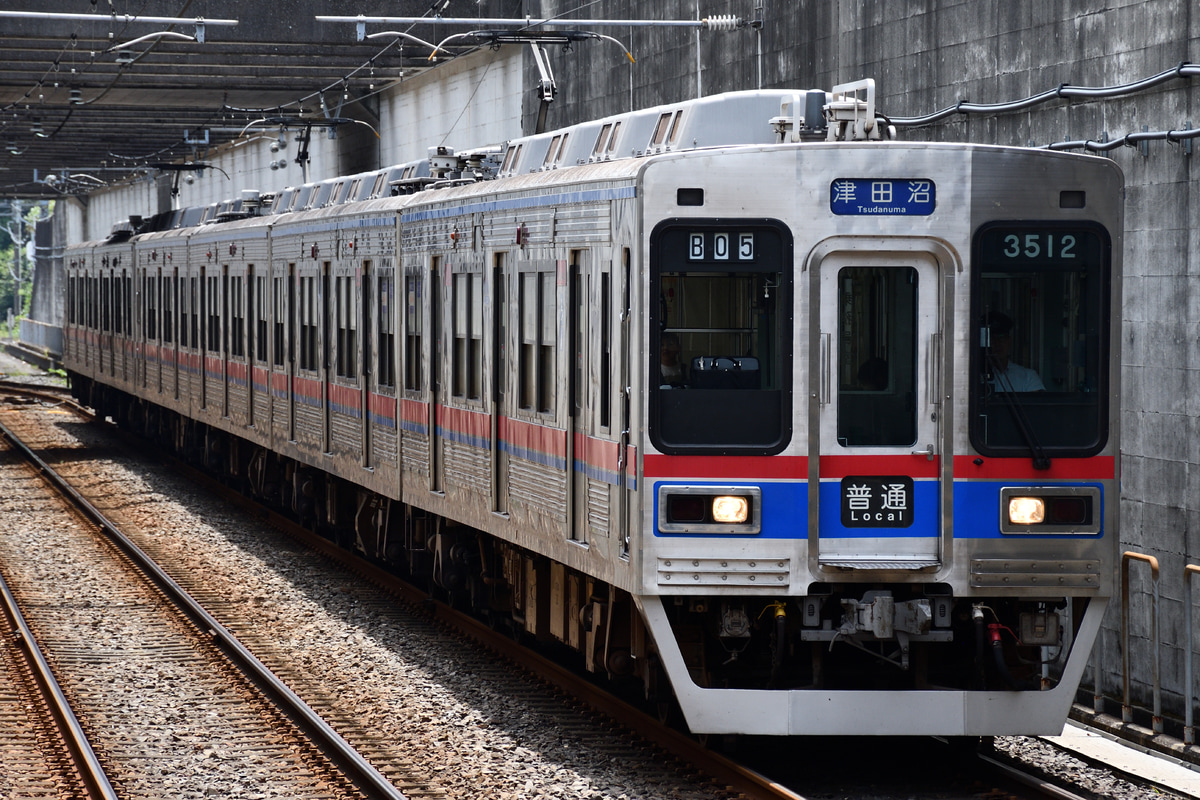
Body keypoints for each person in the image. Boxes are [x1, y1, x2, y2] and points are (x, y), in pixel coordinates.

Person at [982, 312, 1045, 392]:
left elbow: (1036, 402)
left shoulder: (1028, 377)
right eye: (992, 339)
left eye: (1002, 338)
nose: (997, 344)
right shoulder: (974, 378)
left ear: (1009, 341)